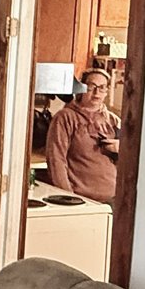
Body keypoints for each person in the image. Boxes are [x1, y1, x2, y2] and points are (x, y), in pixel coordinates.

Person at [45, 68, 121, 203]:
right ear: (82, 88)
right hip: (82, 199)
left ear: (106, 92)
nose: (97, 92)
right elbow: (56, 160)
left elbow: (130, 160)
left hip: (113, 199)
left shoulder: (113, 120)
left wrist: (119, 149)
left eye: (102, 88)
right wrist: (68, 197)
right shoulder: (65, 118)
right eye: (92, 87)